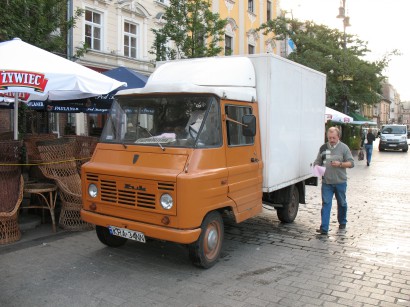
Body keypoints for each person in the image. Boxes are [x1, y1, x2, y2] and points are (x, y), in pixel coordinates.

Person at [314, 127, 355, 235]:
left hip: (340, 182)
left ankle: (342, 221)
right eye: (329, 138)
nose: (331, 140)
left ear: (338, 137)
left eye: (333, 138)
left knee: (342, 203)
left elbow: (351, 163)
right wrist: (317, 168)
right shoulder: (323, 148)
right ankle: (324, 228)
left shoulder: (344, 148)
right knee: (326, 204)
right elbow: (317, 161)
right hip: (327, 182)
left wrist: (340, 164)